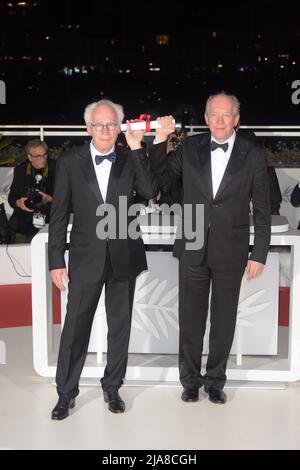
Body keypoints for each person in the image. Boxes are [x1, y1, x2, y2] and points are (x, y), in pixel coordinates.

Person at [148, 92, 271, 404]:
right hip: (193, 245)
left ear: (236, 119)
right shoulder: (190, 147)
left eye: (226, 114)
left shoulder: (253, 153)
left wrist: (259, 253)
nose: (219, 120)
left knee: (224, 319)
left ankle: (215, 381)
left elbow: (262, 209)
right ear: (205, 118)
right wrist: (160, 140)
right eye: (214, 114)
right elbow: (159, 180)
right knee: (190, 318)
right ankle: (189, 381)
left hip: (232, 248)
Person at [48, 99, 157, 419]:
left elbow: (150, 192)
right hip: (85, 257)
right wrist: (56, 259)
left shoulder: (130, 157)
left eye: (112, 124)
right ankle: (65, 393)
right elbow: (58, 215)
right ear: (88, 128)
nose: (106, 130)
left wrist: (138, 148)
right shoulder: (69, 161)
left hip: (124, 255)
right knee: (75, 329)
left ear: (120, 127)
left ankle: (113, 387)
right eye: (99, 124)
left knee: (119, 327)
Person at [8, 139, 56, 242]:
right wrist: (19, 203)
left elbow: (69, 195)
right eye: (38, 156)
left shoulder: (57, 167)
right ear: (29, 157)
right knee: (13, 226)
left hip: (50, 215)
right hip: (26, 217)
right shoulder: (20, 170)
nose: (43, 159)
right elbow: (11, 197)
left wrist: (51, 199)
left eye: (45, 155)